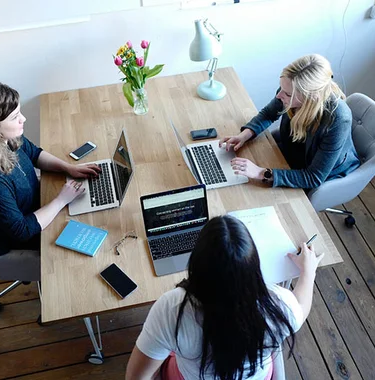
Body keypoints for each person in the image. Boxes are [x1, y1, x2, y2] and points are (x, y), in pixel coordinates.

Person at [126, 215, 324, 380]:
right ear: (253, 265)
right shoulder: (278, 305)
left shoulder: (171, 309)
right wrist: (308, 272)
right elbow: (301, 306)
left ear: (197, 263)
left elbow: (136, 377)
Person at [0, 81, 100, 255]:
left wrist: (68, 168)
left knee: (91, 208)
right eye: (14, 117)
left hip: (35, 206)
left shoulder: (1, 139)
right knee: (94, 226)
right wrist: (61, 200)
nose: (23, 119)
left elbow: (34, 154)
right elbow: (21, 231)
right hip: (15, 237)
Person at [222, 54, 360, 189]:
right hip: (293, 149)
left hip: (320, 171)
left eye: (287, 94)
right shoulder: (289, 89)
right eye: (281, 88)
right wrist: (244, 135)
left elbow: (314, 177)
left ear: (311, 97)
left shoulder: (338, 119)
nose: (279, 95)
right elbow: (269, 114)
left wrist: (260, 172)